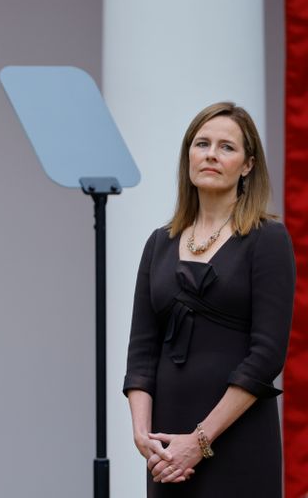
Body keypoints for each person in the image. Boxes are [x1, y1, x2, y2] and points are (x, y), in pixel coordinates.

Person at [123, 101, 295, 497]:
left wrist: (199, 442)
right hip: (167, 449)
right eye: (202, 144)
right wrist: (143, 436)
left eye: (226, 147)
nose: (212, 155)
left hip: (237, 436)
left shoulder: (267, 239)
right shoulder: (159, 243)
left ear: (248, 165)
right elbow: (141, 352)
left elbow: (266, 356)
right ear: (188, 156)